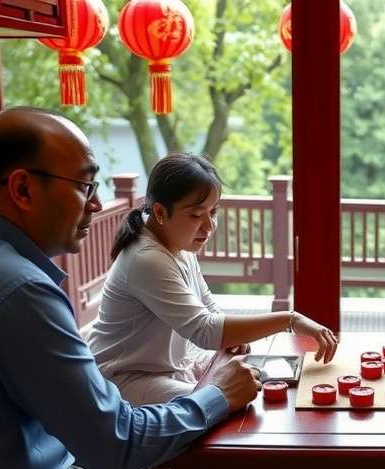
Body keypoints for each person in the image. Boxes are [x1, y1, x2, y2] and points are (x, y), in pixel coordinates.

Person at [0, 107, 262, 469]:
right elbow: (115, 443)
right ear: (22, 188)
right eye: (84, 186)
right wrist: (217, 396)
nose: (97, 204)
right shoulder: (17, 290)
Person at [88, 152, 338, 406]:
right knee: (224, 402)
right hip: (124, 381)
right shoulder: (146, 258)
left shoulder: (174, 242)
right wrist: (290, 319)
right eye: (196, 215)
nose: (209, 226)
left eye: (213, 212)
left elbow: (208, 306)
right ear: (160, 212)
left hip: (165, 370)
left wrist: (233, 337)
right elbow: (205, 330)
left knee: (244, 383)